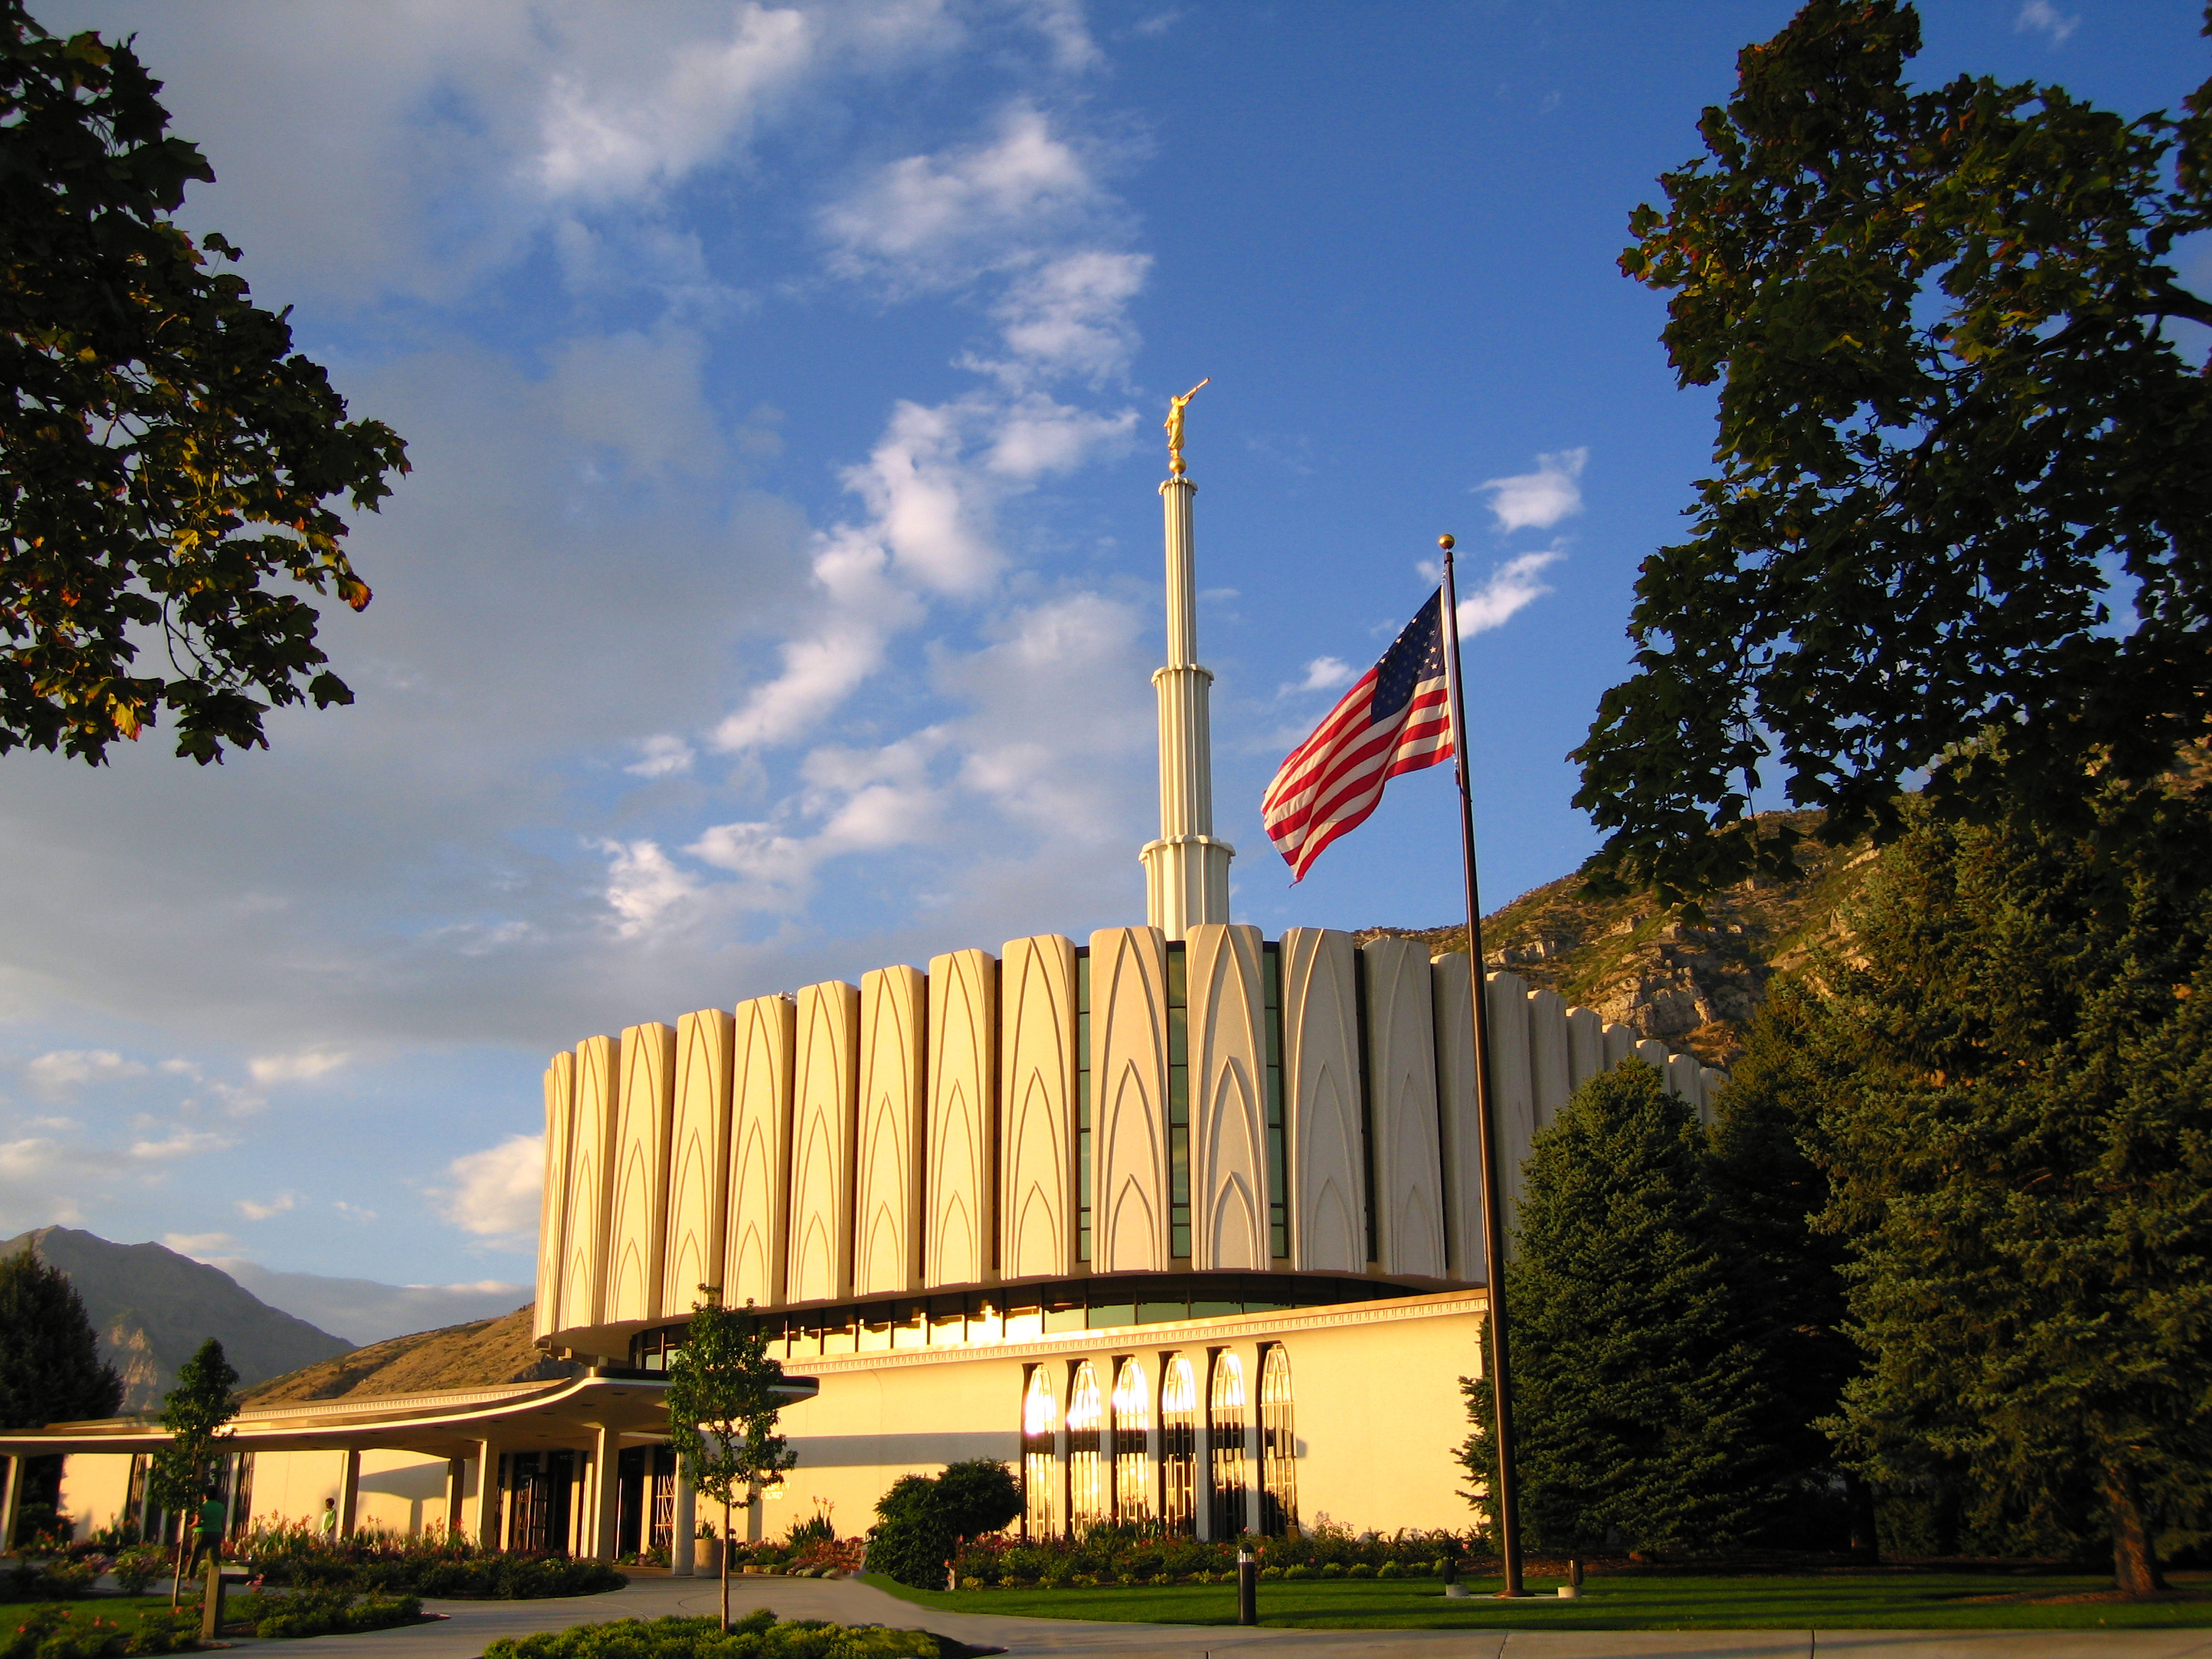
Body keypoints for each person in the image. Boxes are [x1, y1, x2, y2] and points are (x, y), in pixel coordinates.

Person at [186, 1485, 225, 1575]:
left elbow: (197, 1522)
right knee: (214, 1556)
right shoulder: (221, 1506)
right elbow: (222, 1519)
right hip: (216, 1532)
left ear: (205, 1495)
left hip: (202, 1532)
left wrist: (190, 1526)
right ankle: (215, 1576)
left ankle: (190, 1575)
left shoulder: (201, 1506)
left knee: (196, 1554)